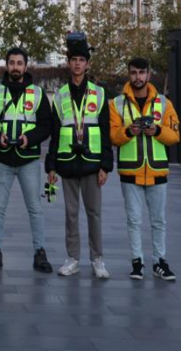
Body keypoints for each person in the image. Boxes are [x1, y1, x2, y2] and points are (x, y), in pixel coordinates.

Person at [0, 47, 53, 273]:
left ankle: (40, 252)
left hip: (28, 159)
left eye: (19, 63)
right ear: (6, 65)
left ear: (26, 66)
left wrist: (29, 139)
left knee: (35, 209)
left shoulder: (38, 94)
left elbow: (46, 125)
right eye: (11, 63)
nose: (15, 67)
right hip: (2, 159)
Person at [46, 35, 112, 279]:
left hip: (93, 164)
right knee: (71, 214)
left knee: (94, 214)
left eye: (81, 60)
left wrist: (106, 165)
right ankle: (72, 258)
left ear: (87, 64)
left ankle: (97, 259)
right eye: (73, 59)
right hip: (67, 163)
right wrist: (51, 166)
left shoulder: (99, 93)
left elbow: (105, 131)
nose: (77, 63)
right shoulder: (60, 95)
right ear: (68, 63)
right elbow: (55, 133)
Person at [109, 57, 181, 281]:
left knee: (159, 221)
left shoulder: (164, 103)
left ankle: (159, 261)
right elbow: (112, 136)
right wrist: (128, 131)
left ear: (149, 74)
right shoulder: (117, 104)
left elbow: (175, 136)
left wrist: (157, 131)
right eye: (134, 73)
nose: (138, 77)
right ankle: (137, 262)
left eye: (142, 73)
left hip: (157, 170)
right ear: (128, 74)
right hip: (130, 170)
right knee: (134, 221)